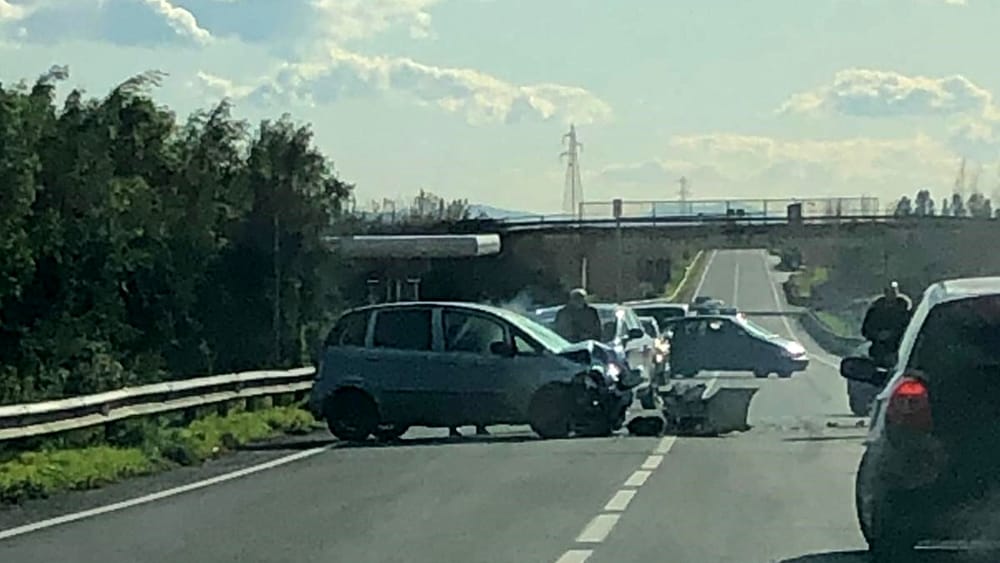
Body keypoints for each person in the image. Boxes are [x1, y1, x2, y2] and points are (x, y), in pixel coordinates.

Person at [861, 281, 913, 366]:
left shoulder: (905, 312)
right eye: (889, 291)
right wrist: (877, 335)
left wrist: (893, 335)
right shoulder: (875, 310)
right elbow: (865, 330)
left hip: (898, 352)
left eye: (894, 291)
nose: (891, 294)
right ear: (885, 292)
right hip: (877, 351)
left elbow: (909, 330)